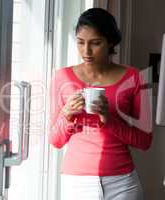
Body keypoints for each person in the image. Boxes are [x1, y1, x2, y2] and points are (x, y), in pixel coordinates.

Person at [49, 8, 152, 200]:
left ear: (111, 41)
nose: (86, 51)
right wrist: (67, 115)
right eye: (80, 42)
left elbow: (145, 141)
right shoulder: (61, 77)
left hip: (122, 183)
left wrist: (108, 119)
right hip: (76, 183)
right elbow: (55, 140)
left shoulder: (135, 78)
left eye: (95, 43)